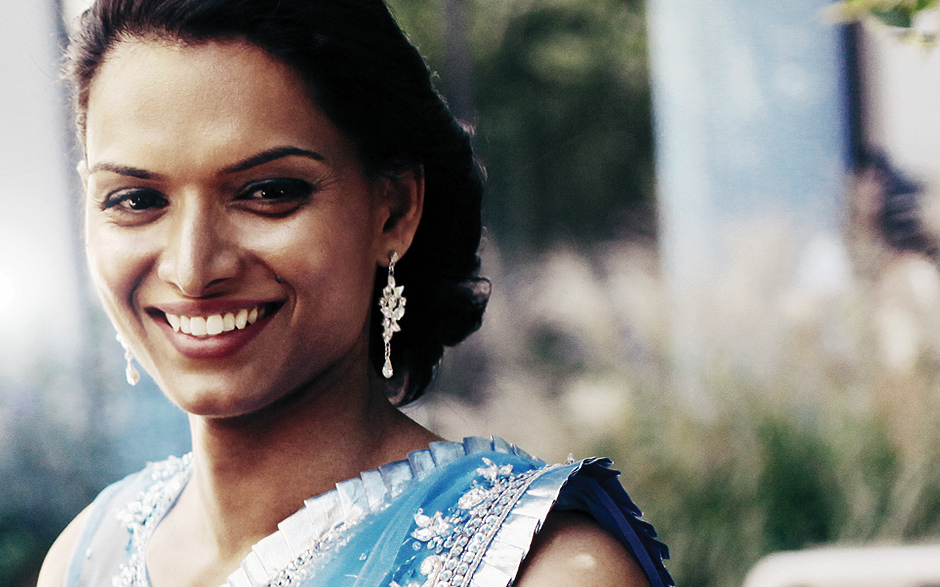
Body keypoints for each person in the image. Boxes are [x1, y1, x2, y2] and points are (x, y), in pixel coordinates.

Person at [37, 1, 672, 585]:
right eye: (137, 199)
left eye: (269, 192)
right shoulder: (85, 557)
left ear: (393, 210)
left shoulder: (542, 571)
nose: (193, 268)